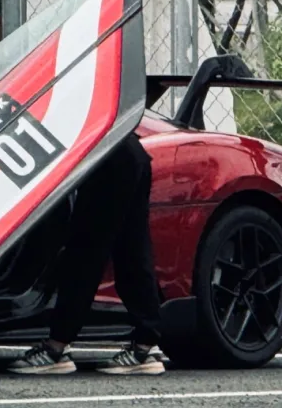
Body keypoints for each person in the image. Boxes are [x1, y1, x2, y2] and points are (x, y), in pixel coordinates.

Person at [8, 132, 166, 376]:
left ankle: (57, 347)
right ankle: (145, 347)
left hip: (104, 154)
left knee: (86, 252)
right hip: (125, 147)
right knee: (130, 249)